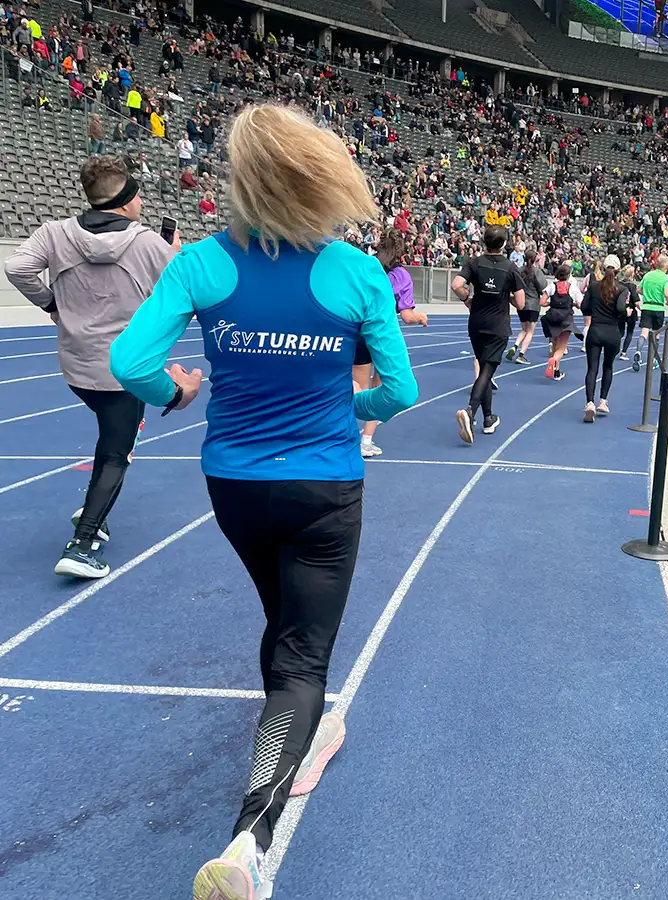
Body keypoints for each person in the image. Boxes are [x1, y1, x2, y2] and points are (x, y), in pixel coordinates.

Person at [108, 103, 418, 900]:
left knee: (283, 623)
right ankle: (251, 839)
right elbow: (401, 391)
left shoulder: (201, 264)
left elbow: (130, 362)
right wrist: (344, 409)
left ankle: (297, 732)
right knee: (303, 656)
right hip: (324, 485)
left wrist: (173, 393)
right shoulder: (356, 272)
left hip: (236, 485)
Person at [4, 156, 177, 578]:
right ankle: (82, 544)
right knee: (118, 453)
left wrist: (51, 304)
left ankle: (93, 507)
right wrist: (170, 256)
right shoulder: (148, 242)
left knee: (112, 438)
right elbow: (178, 289)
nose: (141, 204)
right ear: (127, 200)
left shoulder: (55, 232)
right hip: (125, 369)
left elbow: (17, 267)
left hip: (78, 367)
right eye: (138, 197)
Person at [451, 224, 525, 444]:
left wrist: (467, 299)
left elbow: (456, 284)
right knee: (488, 370)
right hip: (497, 325)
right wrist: (507, 296)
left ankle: (488, 418)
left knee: (484, 368)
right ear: (504, 244)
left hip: (476, 323)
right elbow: (521, 303)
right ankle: (470, 411)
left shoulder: (474, 263)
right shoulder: (510, 268)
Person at [355, 229, 427, 458]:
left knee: (356, 388)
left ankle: (346, 436)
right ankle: (366, 440)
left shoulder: (365, 267)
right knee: (379, 388)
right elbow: (407, 315)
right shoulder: (401, 275)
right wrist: (420, 317)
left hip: (357, 331)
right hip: (381, 335)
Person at [580, 254, 630, 421]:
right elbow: (621, 308)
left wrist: (593, 311)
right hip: (612, 332)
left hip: (595, 330)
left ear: (603, 269)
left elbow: (584, 307)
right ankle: (603, 401)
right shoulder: (622, 289)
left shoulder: (594, 286)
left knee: (592, 368)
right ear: (618, 271)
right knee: (608, 367)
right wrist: (626, 313)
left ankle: (589, 403)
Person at [507, 247, 548, 365]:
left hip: (521, 304)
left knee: (524, 329)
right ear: (535, 259)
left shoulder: (519, 270)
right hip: (533, 304)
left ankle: (515, 346)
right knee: (530, 331)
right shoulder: (537, 271)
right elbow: (543, 287)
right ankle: (521, 354)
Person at [632, 254, 668, 371]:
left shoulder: (648, 275)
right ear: (666, 267)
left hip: (647, 307)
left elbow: (638, 289)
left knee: (644, 332)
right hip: (658, 308)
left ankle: (638, 351)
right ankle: (653, 359)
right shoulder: (665, 278)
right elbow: (666, 293)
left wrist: (647, 294)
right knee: (656, 334)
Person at [543, 263, 578, 382]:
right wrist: (573, 304)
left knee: (554, 344)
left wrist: (551, 303)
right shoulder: (572, 288)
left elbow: (542, 302)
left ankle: (556, 372)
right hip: (566, 319)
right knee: (561, 348)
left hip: (553, 318)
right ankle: (553, 361)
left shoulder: (551, 286)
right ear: (568, 275)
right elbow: (580, 304)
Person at [618, 263, 641, 360]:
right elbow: (636, 301)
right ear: (632, 274)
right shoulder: (632, 286)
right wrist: (642, 309)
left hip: (621, 310)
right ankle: (623, 352)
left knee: (620, 331)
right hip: (631, 310)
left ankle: (613, 348)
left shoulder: (619, 284)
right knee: (629, 332)